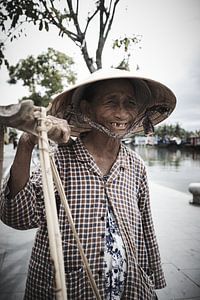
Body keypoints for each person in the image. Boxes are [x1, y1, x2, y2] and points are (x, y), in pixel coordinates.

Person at [0, 68, 176, 299]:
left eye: (129, 103)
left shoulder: (135, 165)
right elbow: (18, 217)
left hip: (126, 286)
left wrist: (149, 276)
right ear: (86, 109)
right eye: (111, 102)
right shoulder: (59, 159)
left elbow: (145, 227)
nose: (122, 113)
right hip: (68, 287)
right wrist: (26, 143)